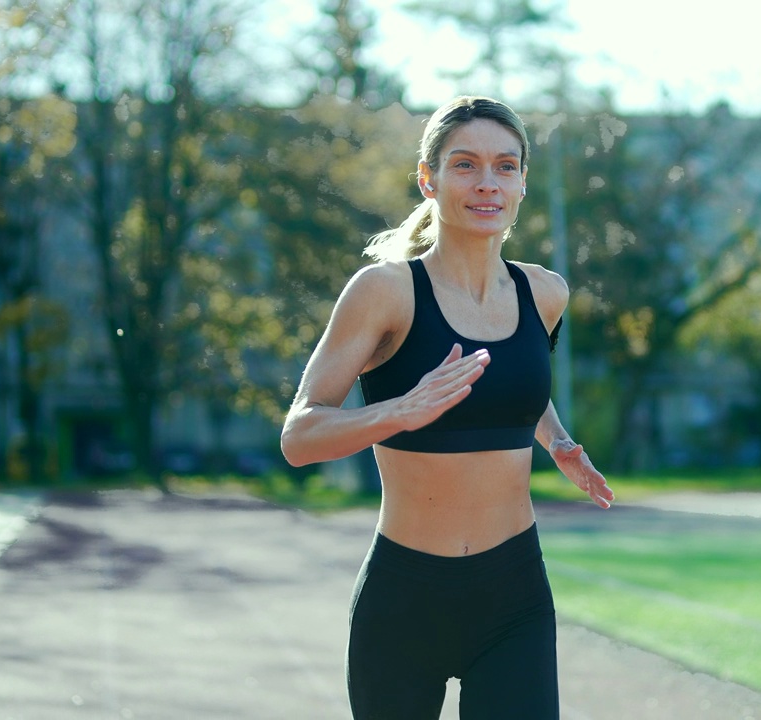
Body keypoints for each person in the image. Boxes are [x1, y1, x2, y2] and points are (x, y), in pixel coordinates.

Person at [280, 95, 613, 720]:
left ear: (520, 184)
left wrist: (558, 440)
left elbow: (507, 382)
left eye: (505, 166)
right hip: (405, 599)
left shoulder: (545, 292)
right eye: (465, 165)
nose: (487, 182)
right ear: (428, 179)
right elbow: (300, 434)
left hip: (514, 595)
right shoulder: (384, 292)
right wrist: (399, 411)